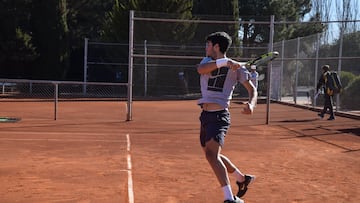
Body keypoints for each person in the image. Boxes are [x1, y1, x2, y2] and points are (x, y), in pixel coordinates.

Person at [197, 31, 257, 203]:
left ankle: (230, 199)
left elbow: (252, 90)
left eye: (208, 44)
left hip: (219, 116)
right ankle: (241, 178)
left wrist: (251, 104)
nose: (206, 47)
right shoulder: (207, 62)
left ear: (216, 46)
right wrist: (225, 62)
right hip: (205, 115)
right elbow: (201, 70)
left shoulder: (237, 69)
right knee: (210, 153)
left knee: (211, 156)